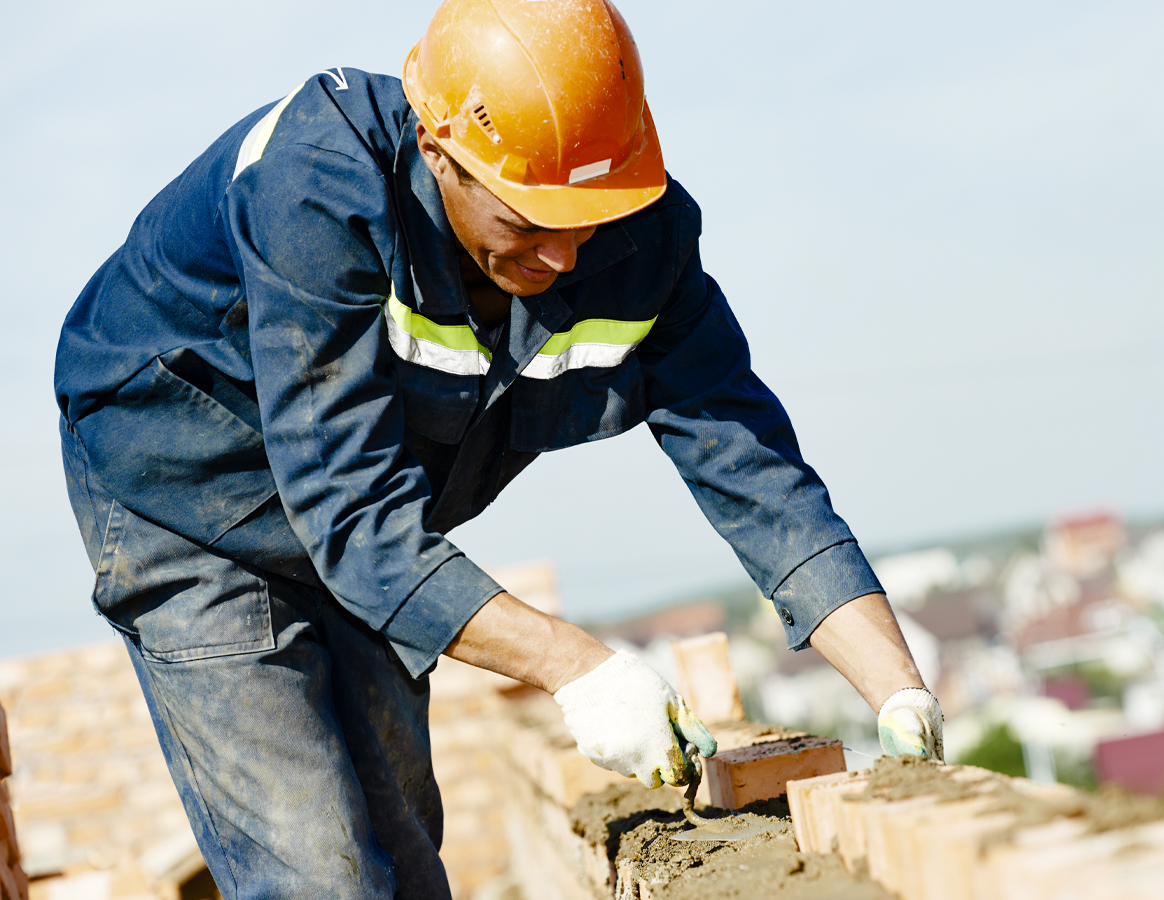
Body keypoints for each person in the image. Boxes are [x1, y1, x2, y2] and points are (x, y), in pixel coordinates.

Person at [54, 0, 943, 896]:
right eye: (528, 220)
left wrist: (898, 691)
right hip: (182, 493)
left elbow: (753, 468)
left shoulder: (636, 231)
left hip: (364, 522)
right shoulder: (316, 188)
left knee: (403, 850)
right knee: (318, 871)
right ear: (441, 151)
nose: (562, 256)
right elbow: (351, 515)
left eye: (583, 219)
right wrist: (577, 668)